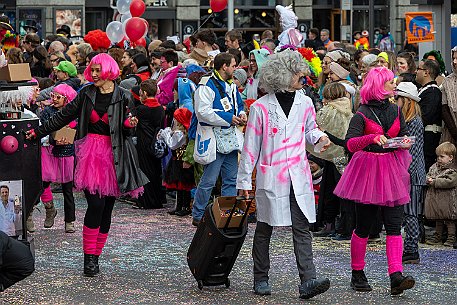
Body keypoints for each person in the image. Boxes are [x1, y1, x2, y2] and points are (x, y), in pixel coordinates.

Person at [26, 53, 148, 277]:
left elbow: (127, 130)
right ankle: (88, 258)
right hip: (91, 154)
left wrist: (129, 125)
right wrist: (38, 131)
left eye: (97, 70)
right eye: (91, 70)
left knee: (107, 209)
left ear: (109, 71)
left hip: (115, 155)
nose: (93, 74)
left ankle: (96, 256)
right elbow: (63, 116)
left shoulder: (123, 96)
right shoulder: (86, 93)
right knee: (96, 205)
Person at [237, 49, 331, 299]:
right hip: (272, 175)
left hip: (297, 175)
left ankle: (308, 279)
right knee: (265, 227)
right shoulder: (260, 108)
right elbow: (250, 149)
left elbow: (309, 131)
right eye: (298, 71)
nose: (304, 75)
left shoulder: (306, 102)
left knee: (301, 228)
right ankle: (261, 277)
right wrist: (244, 181)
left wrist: (319, 138)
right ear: (282, 75)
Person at [334, 67, 415, 295]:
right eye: (390, 81)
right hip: (368, 172)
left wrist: (404, 141)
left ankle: (396, 275)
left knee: (393, 225)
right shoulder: (362, 113)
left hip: (392, 170)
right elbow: (349, 144)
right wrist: (371, 138)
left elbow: (403, 135)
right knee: (364, 226)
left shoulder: (396, 110)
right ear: (380, 85)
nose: (394, 83)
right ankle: (357, 272)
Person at [191, 53, 245, 226]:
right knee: (209, 180)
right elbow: (202, 112)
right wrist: (229, 118)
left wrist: (241, 115)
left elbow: (239, 105)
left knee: (231, 180)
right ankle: (198, 215)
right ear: (224, 67)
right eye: (233, 65)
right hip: (214, 138)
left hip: (230, 139)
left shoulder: (231, 85)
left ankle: (228, 215)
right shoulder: (206, 85)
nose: (235, 68)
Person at [39, 84, 78, 233]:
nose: (54, 99)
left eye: (58, 97)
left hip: (66, 152)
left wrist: (72, 128)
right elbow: (43, 128)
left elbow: (78, 129)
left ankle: (69, 221)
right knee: (42, 184)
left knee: (67, 190)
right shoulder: (47, 111)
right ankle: (43, 212)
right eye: (53, 96)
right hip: (50, 151)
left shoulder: (73, 112)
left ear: (66, 99)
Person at [394, 82, 426, 264]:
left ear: (406, 101)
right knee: (408, 212)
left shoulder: (414, 122)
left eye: (398, 98)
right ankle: (409, 248)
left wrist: (404, 174)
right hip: (409, 172)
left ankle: (412, 249)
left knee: (411, 212)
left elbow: (412, 153)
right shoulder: (409, 121)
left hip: (412, 174)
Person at [133, 80, 165, 209]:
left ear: (145, 93)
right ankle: (157, 199)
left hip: (144, 143)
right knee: (156, 171)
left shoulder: (141, 109)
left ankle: (146, 200)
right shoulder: (160, 109)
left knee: (144, 171)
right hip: (156, 143)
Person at [159, 107, 194, 216]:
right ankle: (179, 206)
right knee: (179, 186)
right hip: (176, 161)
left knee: (184, 186)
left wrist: (166, 135)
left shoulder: (181, 133)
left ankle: (186, 206)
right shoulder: (180, 132)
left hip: (181, 161)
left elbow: (172, 145)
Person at [424, 142, 457, 247]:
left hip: (448, 200)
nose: (439, 159)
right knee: (438, 218)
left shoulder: (452, 170)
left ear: (450, 157)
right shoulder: (434, 167)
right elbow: (428, 174)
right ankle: (438, 236)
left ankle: (451, 237)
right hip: (437, 200)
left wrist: (434, 182)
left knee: (449, 220)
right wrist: (427, 179)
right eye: (438, 156)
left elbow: (450, 182)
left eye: (442, 156)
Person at [416, 59, 442, 171]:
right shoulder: (425, 90)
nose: (416, 72)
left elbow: (425, 117)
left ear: (426, 72)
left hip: (428, 142)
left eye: (418, 69)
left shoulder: (432, 92)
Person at [440, 47, 457, 145]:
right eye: (453, 58)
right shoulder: (448, 81)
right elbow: (444, 109)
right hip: (452, 133)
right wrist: (455, 134)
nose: (454, 62)